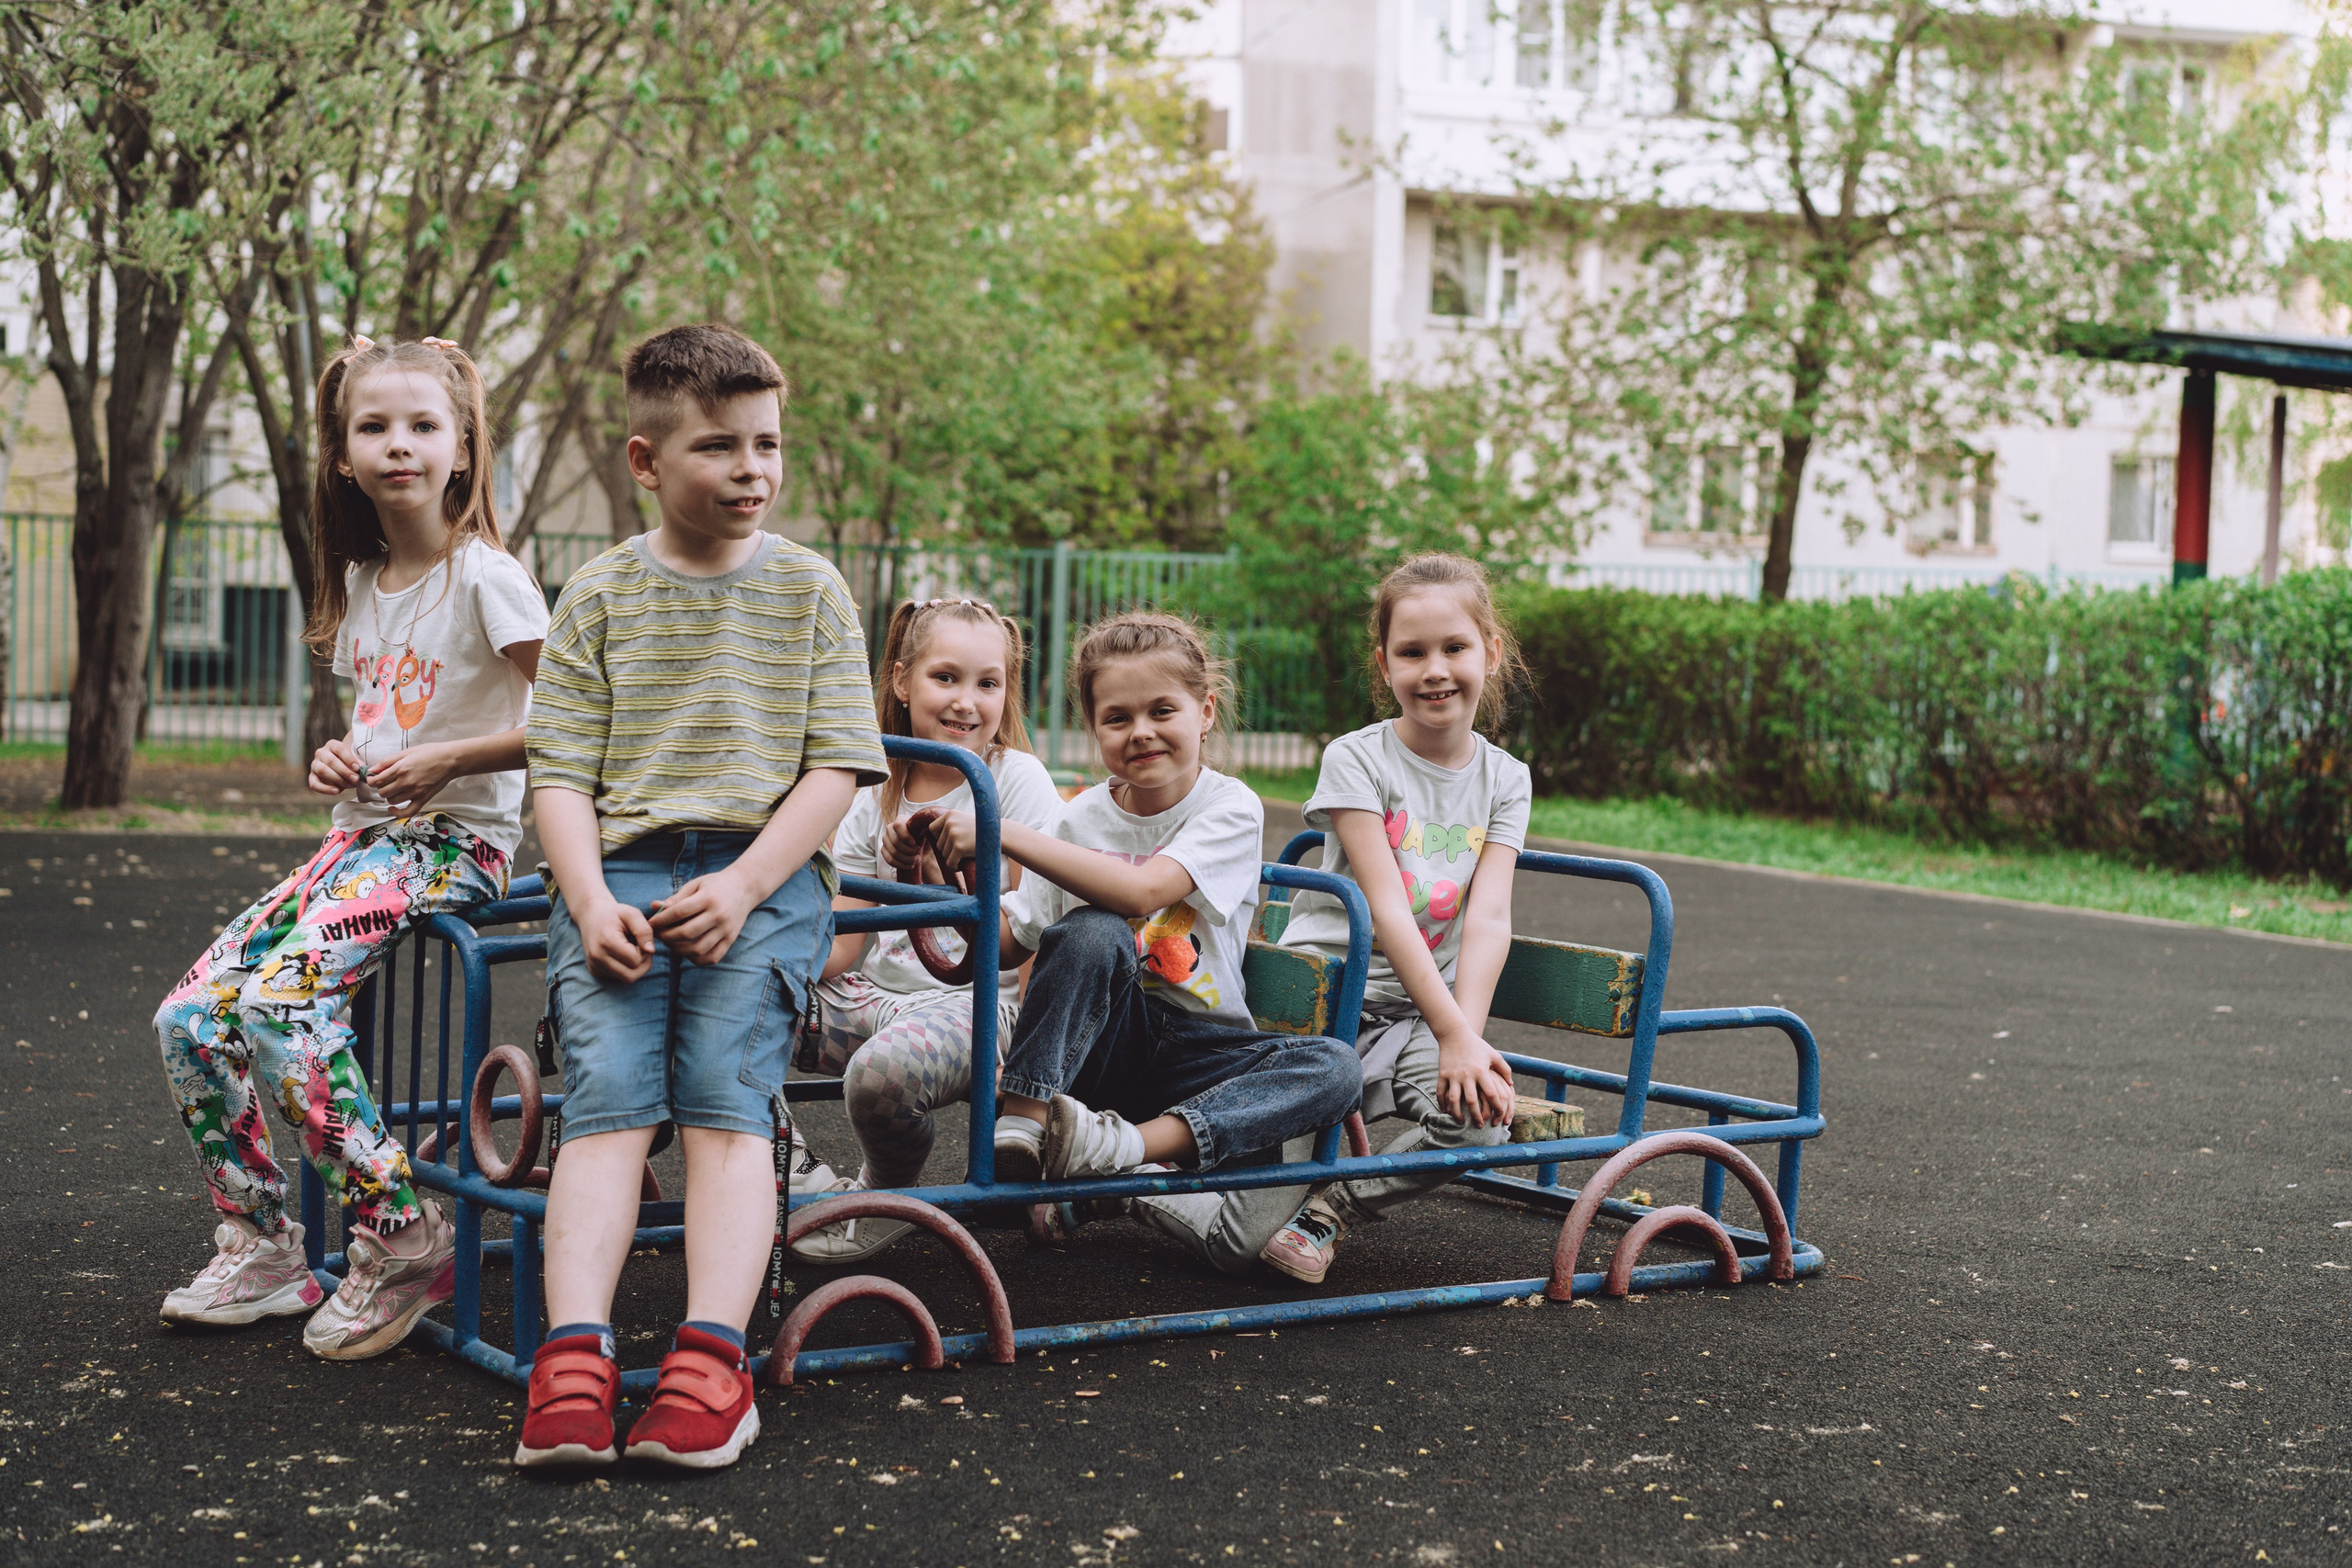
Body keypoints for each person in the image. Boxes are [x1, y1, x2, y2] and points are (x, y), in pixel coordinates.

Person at [514, 323, 885, 1471]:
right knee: (607, 1106)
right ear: (645, 461)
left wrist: (743, 882)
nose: (752, 470)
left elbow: (834, 769)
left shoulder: (811, 589)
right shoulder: (599, 594)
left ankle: (709, 1362)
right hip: (618, 878)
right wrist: (584, 902)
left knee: (727, 1109)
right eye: (720, 447)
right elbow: (560, 775)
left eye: (767, 445)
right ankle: (572, 1362)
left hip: (758, 876)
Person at [154, 335, 547, 1359]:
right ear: (343, 456)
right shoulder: (368, 582)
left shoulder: (487, 579)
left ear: (462, 449)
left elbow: (583, 716)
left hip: (455, 843)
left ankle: (400, 1233)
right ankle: (263, 1238)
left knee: (285, 1005)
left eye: (423, 426)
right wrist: (345, 755)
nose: (399, 445)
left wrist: (455, 757)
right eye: (374, 427)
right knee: (191, 1015)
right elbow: (385, 724)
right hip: (362, 840)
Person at [920, 611, 1359, 1253]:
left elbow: (1145, 889)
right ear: (1093, 728)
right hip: (1105, 1042)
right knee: (1092, 932)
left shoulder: (1229, 806)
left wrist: (1002, 831)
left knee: (1336, 1067)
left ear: (1205, 712)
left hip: (1199, 1051)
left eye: (1162, 710)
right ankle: (1022, 1126)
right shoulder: (1078, 821)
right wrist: (946, 883)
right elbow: (1004, 947)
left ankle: (1123, 1151)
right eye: (1117, 718)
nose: (1141, 732)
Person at [1251, 552, 1531, 1282]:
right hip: (1319, 1005)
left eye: (1454, 647)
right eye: (1412, 652)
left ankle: (1330, 1212)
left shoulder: (1507, 778)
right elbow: (1384, 907)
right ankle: (1096, 1197)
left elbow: (1490, 912)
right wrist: (1451, 1030)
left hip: (1411, 1013)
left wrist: (1461, 1040)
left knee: (1480, 1118)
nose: (1435, 668)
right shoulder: (1357, 759)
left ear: (1490, 653)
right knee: (1240, 1204)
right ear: (1385, 666)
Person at [787, 596, 1064, 1264]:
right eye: (947, 677)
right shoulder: (872, 786)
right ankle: (795, 1176)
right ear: (902, 680)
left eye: (987, 683)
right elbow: (849, 940)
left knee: (878, 1076)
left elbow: (1036, 933)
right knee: (721, 1007)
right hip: (871, 994)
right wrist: (771, 965)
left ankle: (886, 1192)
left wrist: (947, 875)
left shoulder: (1014, 782)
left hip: (981, 1008)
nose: (967, 700)